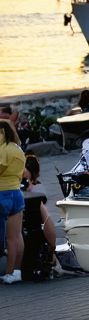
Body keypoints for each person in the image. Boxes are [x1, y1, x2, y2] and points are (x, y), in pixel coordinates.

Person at [1, 116, 26, 283]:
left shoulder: (3, 150)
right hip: (16, 193)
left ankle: (9, 273)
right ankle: (16, 272)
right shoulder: (17, 148)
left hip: (2, 194)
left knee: (8, 239)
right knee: (17, 236)